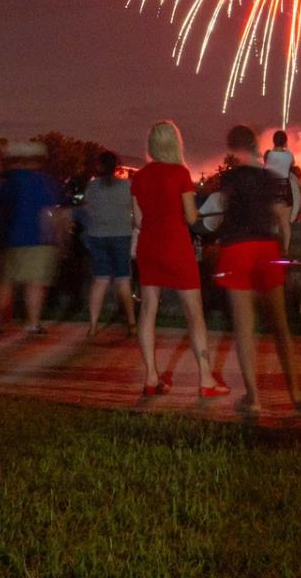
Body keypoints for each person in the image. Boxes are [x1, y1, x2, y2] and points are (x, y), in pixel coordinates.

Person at [213, 123, 301, 416]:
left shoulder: (229, 179)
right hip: (266, 248)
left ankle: (253, 397)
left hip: (236, 250)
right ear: (257, 146)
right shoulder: (269, 178)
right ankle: (296, 392)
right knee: (280, 325)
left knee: (244, 328)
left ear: (233, 149)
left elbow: (226, 214)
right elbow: (278, 214)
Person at [130, 120, 224, 397]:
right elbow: (192, 217)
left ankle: (150, 376)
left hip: (149, 246)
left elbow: (138, 220)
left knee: (148, 310)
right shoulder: (180, 174)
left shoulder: (140, 177)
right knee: (194, 314)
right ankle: (205, 379)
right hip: (175, 245)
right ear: (174, 143)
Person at [0, 141, 68, 335]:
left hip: (10, 239)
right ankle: (32, 323)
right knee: (35, 284)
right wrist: (61, 239)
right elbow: (55, 213)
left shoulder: (8, 181)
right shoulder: (45, 182)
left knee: (6, 283)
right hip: (39, 239)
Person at [82, 150, 136, 338]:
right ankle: (131, 322)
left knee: (100, 280)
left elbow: (88, 210)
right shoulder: (126, 186)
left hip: (98, 236)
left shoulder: (92, 187)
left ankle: (93, 325)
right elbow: (135, 213)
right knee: (123, 280)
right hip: (121, 235)